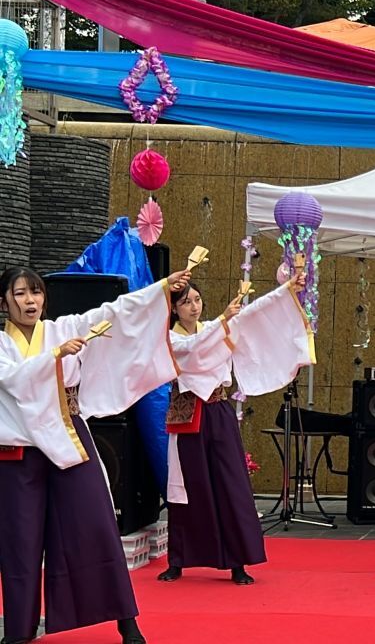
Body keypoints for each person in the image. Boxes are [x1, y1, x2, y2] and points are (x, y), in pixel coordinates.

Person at [0, 265, 191, 644]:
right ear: (4, 302)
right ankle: (18, 630)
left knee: (97, 528)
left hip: (70, 441)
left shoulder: (63, 328)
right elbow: (15, 379)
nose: (30, 301)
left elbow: (114, 313)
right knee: (19, 543)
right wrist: (55, 356)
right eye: (20, 293)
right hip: (19, 452)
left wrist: (160, 291)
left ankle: (125, 619)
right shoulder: (4, 346)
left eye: (35, 292)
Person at [158, 272, 312, 586]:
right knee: (185, 490)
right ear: (174, 309)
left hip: (218, 413)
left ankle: (237, 562)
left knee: (231, 485)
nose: (193, 306)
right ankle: (178, 560)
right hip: (187, 416)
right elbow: (193, 348)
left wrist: (285, 290)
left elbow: (253, 313)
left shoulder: (216, 329)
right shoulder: (171, 338)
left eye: (197, 300)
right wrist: (223, 320)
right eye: (186, 302)